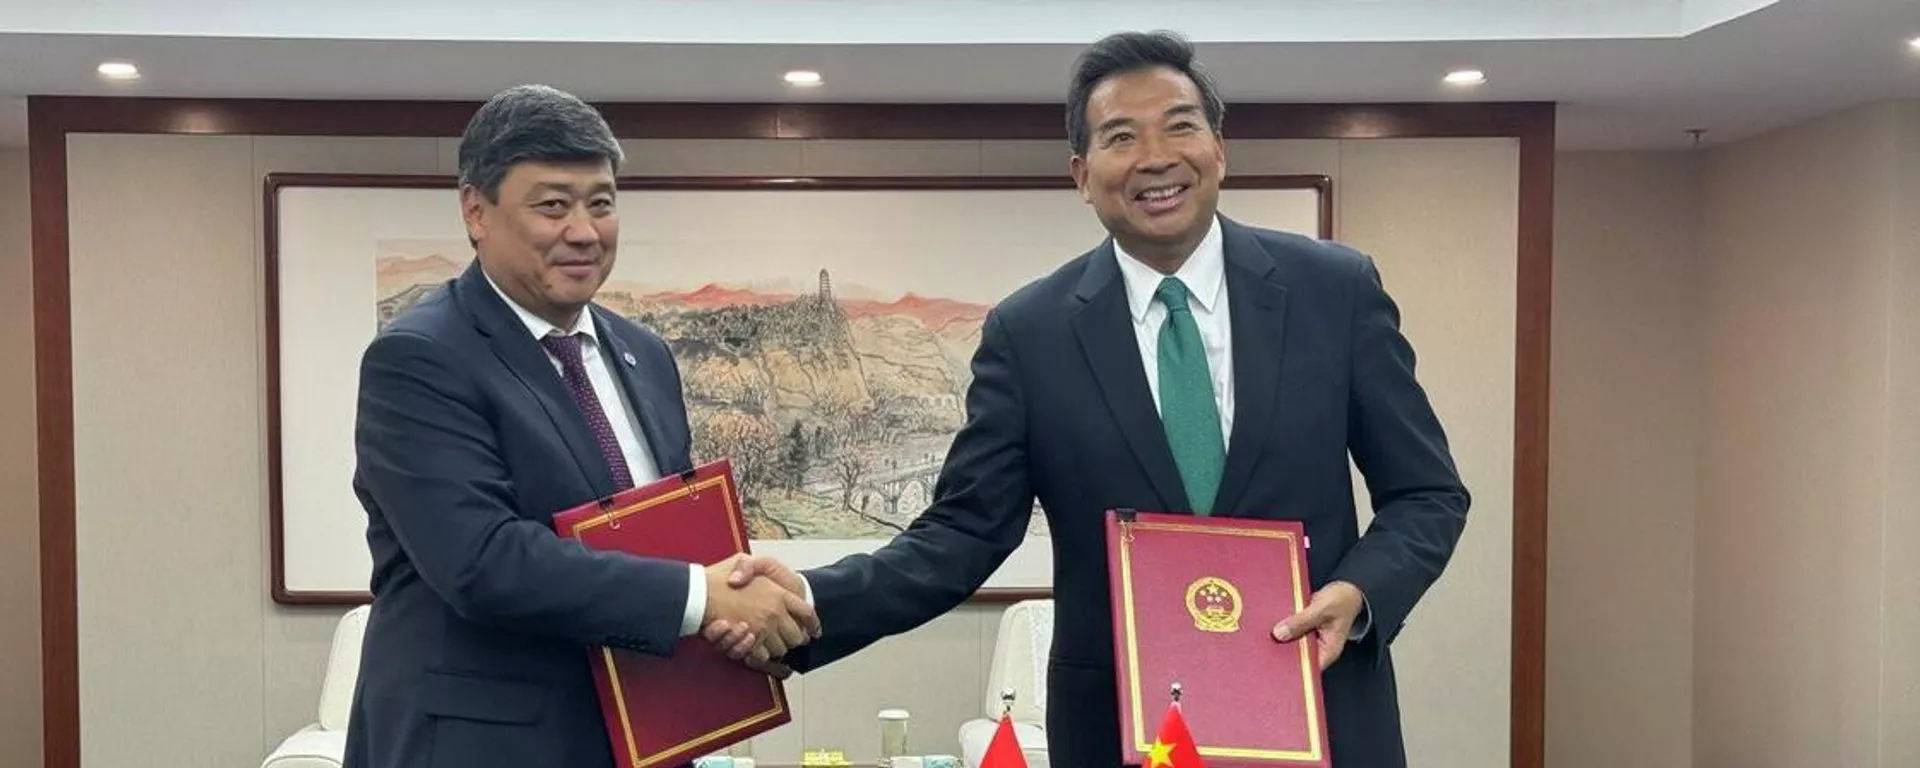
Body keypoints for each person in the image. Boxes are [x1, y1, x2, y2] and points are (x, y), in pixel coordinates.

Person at [714, 31, 1470, 767]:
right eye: (1121, 137)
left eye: (1180, 126)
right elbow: (964, 532)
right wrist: (807, 603)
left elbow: (1427, 493)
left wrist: (1360, 592)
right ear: (1081, 173)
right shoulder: (1031, 333)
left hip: (1322, 712)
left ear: (1219, 149)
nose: (1156, 157)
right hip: (1116, 730)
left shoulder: (1333, 291)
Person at [343, 84, 817, 768]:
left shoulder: (645, 354)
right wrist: (700, 595)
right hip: (484, 746)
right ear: (475, 210)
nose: (585, 232)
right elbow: (482, 561)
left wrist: (738, 609)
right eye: (552, 205)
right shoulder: (419, 357)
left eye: (601, 203)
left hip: (651, 732)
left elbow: (665, 530)